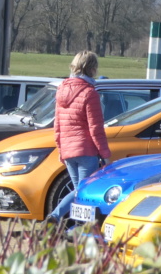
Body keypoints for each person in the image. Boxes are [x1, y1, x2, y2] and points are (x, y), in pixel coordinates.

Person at [46, 51, 112, 222]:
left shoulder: (61, 90)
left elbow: (58, 125)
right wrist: (105, 154)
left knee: (78, 190)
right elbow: (96, 128)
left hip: (68, 150)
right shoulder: (90, 93)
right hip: (85, 150)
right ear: (91, 68)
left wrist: (61, 149)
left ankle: (66, 222)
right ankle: (58, 219)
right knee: (83, 192)